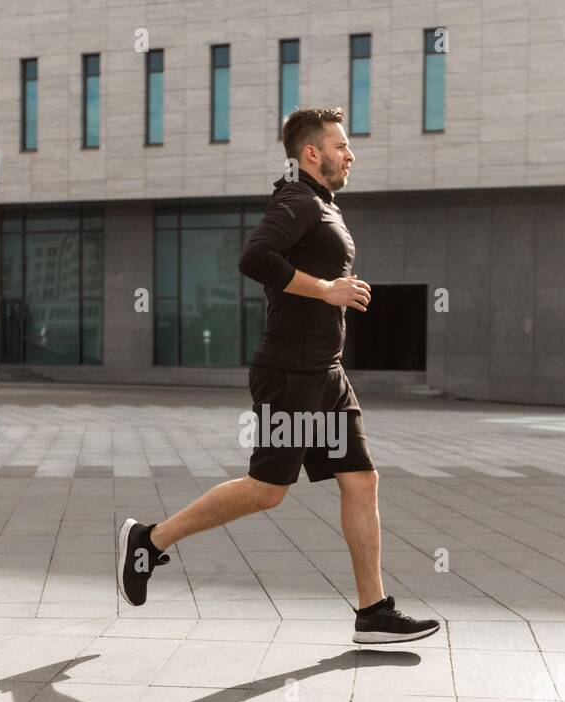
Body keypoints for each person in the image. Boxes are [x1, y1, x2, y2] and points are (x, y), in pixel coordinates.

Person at [117, 106, 440, 644]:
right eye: (340, 146)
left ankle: (373, 611)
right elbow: (254, 257)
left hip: (325, 374)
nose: (349, 154)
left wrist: (334, 289)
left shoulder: (320, 205)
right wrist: (326, 290)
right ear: (310, 153)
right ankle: (149, 540)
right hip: (291, 373)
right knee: (268, 489)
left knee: (361, 479)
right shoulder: (295, 199)